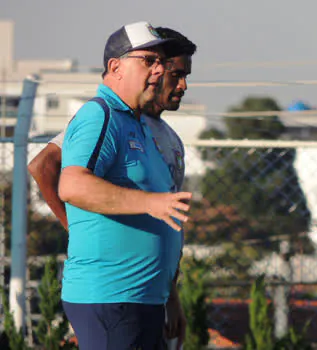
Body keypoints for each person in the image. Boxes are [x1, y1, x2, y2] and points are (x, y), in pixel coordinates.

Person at [28, 25, 196, 349]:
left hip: (144, 297)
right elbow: (69, 181)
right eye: (149, 61)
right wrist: (148, 203)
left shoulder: (143, 126)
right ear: (115, 66)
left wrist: (170, 294)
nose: (161, 72)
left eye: (162, 62)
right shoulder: (101, 115)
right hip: (113, 294)